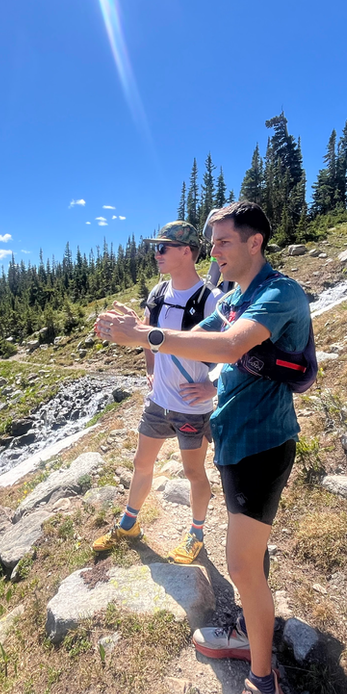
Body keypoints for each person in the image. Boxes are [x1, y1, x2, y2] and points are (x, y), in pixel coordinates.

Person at [95, 201, 311, 694]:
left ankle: (264, 691)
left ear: (254, 242)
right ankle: (244, 628)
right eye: (212, 242)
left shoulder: (279, 293)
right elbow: (199, 344)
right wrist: (139, 326)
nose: (214, 251)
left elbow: (229, 344)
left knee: (240, 564)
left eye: (223, 242)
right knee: (247, 558)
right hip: (235, 440)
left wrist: (147, 336)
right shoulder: (234, 296)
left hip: (264, 444)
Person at [91, 220, 222, 565]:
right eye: (156, 247)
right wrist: (150, 370)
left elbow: (235, 351)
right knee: (141, 463)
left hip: (193, 407)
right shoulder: (158, 293)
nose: (156, 253)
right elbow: (147, 335)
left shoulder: (212, 300)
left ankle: (196, 533)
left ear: (186, 251)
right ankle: (129, 525)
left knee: (194, 473)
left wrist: (213, 385)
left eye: (163, 247)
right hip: (159, 402)